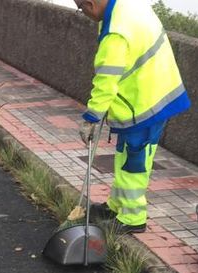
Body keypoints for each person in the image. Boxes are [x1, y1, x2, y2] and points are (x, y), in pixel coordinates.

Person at [75, 0, 190, 234]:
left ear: (89, 4)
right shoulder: (126, 5)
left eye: (81, 8)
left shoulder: (115, 33)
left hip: (145, 103)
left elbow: (106, 82)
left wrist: (92, 118)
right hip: (154, 90)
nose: (83, 13)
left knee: (134, 164)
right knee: (125, 155)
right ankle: (116, 205)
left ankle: (132, 217)